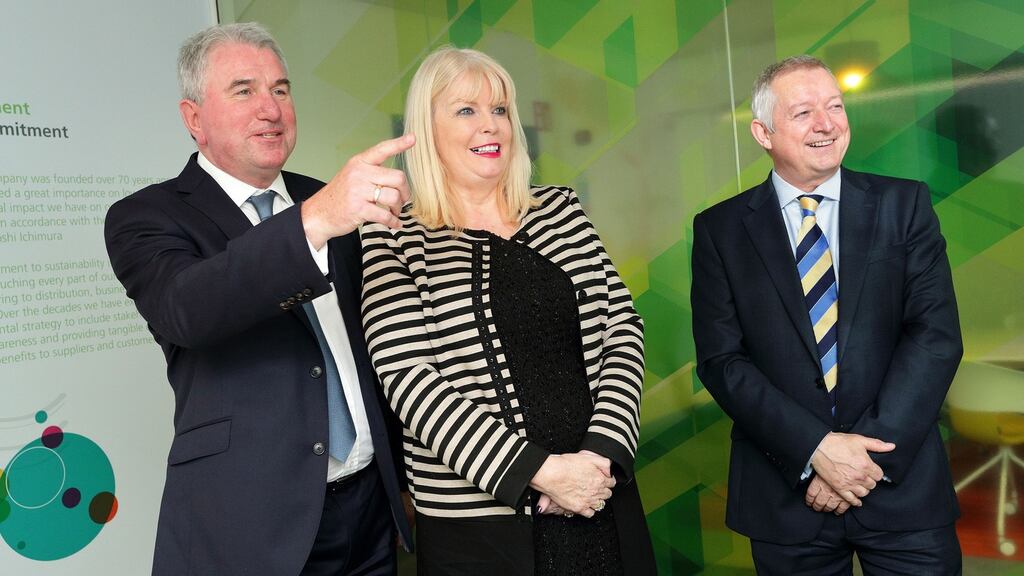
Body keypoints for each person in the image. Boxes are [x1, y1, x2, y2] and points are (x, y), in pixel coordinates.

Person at [104, 22, 415, 575]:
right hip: (250, 527)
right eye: (244, 90)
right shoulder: (145, 216)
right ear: (193, 118)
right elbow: (187, 310)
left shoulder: (324, 198)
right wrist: (313, 222)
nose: (270, 109)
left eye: (281, 89)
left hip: (370, 512)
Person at [360, 46, 656, 575]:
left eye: (499, 110)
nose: (489, 126)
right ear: (426, 129)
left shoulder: (561, 210)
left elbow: (623, 332)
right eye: (466, 110)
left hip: (597, 496)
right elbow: (408, 379)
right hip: (480, 531)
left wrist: (599, 456)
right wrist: (538, 472)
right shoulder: (392, 234)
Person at [690, 55, 963, 574]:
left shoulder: (903, 205)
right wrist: (815, 450)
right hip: (785, 501)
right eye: (804, 112)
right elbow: (723, 361)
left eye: (835, 107)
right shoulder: (720, 231)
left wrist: (860, 464)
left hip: (902, 492)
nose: (826, 123)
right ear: (762, 132)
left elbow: (935, 336)